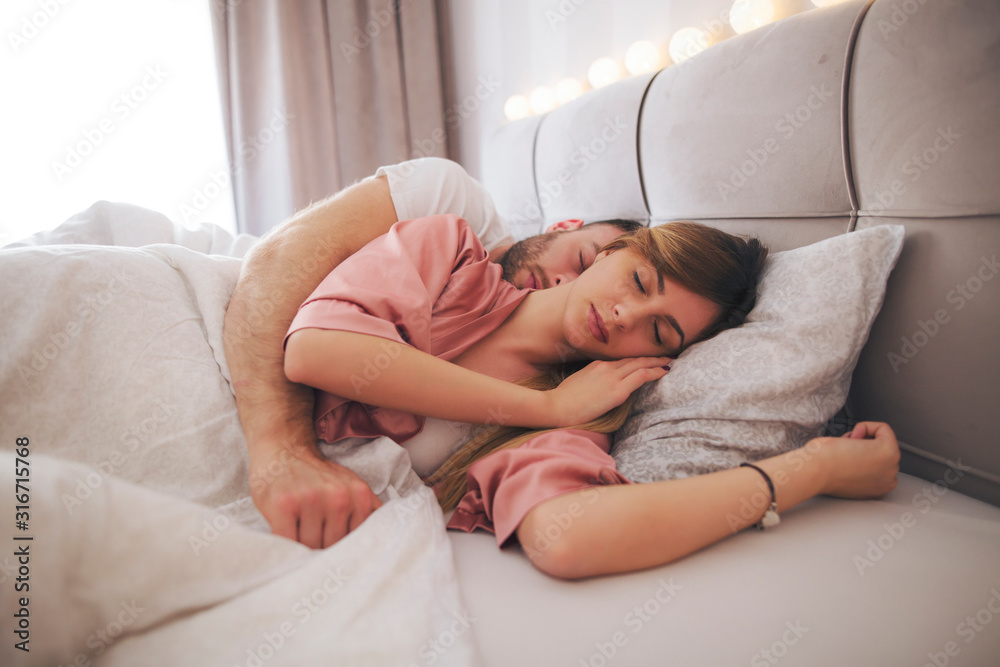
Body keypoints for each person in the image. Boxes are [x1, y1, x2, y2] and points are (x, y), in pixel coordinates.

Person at [282, 213, 900, 579]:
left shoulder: (578, 416)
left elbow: (567, 537)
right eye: (638, 280)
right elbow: (317, 350)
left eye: (659, 331)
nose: (627, 314)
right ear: (610, 248)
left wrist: (812, 469)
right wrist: (543, 407)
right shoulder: (449, 253)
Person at [223, 157, 639, 548]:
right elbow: (278, 262)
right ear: (565, 225)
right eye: (583, 259)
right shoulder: (454, 213)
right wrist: (283, 449)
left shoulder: (561, 384)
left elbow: (561, 523)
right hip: (230, 316)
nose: (564, 282)